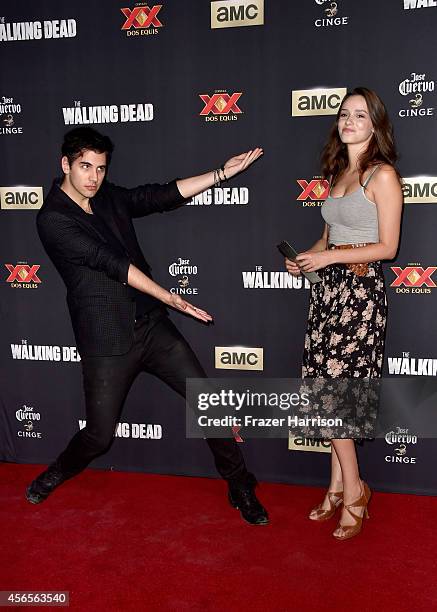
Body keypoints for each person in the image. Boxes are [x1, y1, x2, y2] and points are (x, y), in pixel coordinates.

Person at [26, 127, 269, 526]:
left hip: (151, 328)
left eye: (101, 169)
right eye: (85, 167)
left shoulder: (104, 197)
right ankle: (61, 468)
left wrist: (220, 175)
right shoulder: (52, 218)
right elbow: (110, 263)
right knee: (99, 437)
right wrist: (169, 297)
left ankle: (240, 483)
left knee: (207, 403)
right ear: (65, 164)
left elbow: (157, 196)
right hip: (107, 339)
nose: (94, 178)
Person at [285, 87, 403, 540]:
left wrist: (330, 258)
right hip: (328, 294)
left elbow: (388, 248)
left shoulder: (382, 176)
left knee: (337, 398)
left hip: (360, 296)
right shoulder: (338, 175)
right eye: (344, 114)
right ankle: (335, 486)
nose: (349, 121)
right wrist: (304, 257)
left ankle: (355, 491)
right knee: (326, 392)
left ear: (375, 125)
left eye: (360, 115)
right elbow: (329, 238)